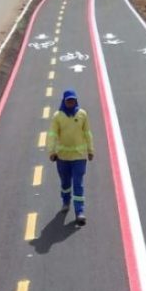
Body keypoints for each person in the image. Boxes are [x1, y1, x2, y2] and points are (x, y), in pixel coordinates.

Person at [47, 90, 94, 226]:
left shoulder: (82, 114)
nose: (71, 102)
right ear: (64, 101)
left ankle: (79, 212)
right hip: (62, 157)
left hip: (79, 156)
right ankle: (65, 202)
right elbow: (52, 135)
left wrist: (90, 150)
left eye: (73, 100)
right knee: (65, 183)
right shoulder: (58, 116)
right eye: (68, 100)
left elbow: (87, 133)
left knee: (78, 183)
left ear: (76, 101)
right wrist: (52, 152)